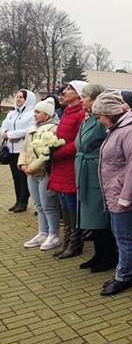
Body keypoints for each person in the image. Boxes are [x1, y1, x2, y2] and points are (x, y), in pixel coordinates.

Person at [93, 92, 132, 296]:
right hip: (116, 193)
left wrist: (125, 198)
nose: (98, 120)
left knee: (125, 238)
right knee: (121, 236)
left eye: (99, 115)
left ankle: (124, 276)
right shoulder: (117, 129)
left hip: (127, 196)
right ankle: (123, 271)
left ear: (109, 113)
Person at [75, 84, 118, 273]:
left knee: (101, 217)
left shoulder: (102, 122)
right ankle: (99, 254)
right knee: (93, 219)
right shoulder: (89, 119)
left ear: (95, 100)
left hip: (97, 173)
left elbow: (109, 148)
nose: (81, 100)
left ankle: (109, 255)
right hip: (86, 170)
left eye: (84, 97)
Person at [48, 80, 87, 259]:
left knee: (71, 205)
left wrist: (56, 153)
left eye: (70, 89)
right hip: (61, 164)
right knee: (63, 204)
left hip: (70, 164)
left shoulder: (81, 114)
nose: (65, 91)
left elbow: (79, 143)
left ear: (79, 94)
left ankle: (75, 242)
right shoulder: (66, 112)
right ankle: (66, 242)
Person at [18, 98, 60, 250]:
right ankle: (43, 232)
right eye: (34, 111)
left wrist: (33, 167)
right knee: (38, 205)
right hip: (30, 173)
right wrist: (22, 164)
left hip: (43, 173)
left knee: (49, 206)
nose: (34, 114)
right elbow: (24, 148)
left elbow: (48, 153)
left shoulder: (53, 129)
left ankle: (54, 234)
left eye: (37, 112)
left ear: (47, 114)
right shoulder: (32, 128)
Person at [1, 89, 36, 213]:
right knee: (15, 177)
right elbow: (3, 127)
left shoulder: (32, 114)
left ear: (28, 99)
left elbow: (29, 129)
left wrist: (11, 134)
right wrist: (7, 134)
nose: (18, 99)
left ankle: (24, 201)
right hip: (11, 149)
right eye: (17, 97)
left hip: (22, 150)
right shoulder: (12, 113)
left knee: (22, 177)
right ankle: (18, 200)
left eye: (21, 97)